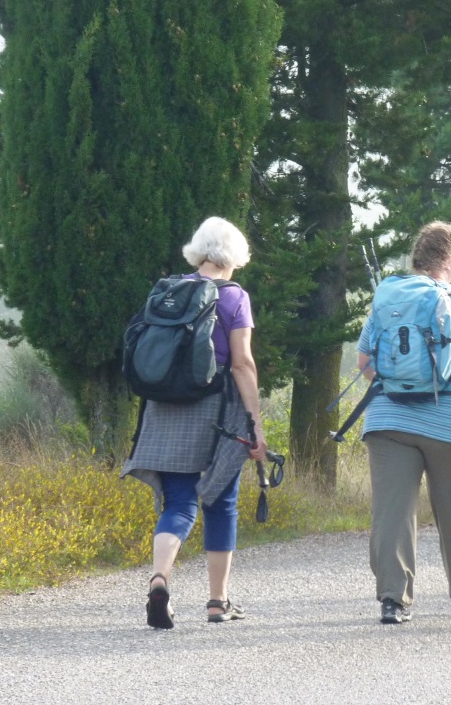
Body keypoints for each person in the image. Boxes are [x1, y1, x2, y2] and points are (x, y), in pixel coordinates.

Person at [356, 221, 451, 624]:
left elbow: (365, 364)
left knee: (392, 511)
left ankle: (393, 599)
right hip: (450, 422)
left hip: (387, 419)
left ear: (417, 258)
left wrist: (401, 385)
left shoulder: (386, 297)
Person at [122, 217, 268, 629]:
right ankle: (218, 602)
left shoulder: (169, 291)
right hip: (217, 410)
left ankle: (159, 578)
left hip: (164, 406)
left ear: (198, 250)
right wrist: (255, 423)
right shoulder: (234, 297)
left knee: (180, 502)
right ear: (233, 256)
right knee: (221, 500)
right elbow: (242, 363)